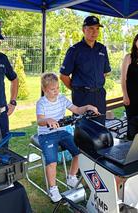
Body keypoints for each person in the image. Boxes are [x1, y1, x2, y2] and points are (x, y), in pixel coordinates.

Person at [36, 72, 99, 202]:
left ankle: (71, 177)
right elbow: (40, 121)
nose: (56, 91)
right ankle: (53, 189)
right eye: (52, 89)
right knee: (52, 161)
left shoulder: (62, 98)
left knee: (79, 152)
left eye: (57, 88)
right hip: (46, 135)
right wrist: (48, 120)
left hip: (62, 132)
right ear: (44, 89)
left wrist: (87, 107)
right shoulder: (41, 103)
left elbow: (76, 109)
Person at [60, 15, 111, 124]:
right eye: (91, 28)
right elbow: (63, 76)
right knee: (83, 128)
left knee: (100, 127)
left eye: (97, 28)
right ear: (84, 29)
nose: (95, 32)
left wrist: (95, 84)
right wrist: (76, 89)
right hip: (82, 97)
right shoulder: (75, 50)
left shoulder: (102, 48)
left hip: (99, 95)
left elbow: (105, 72)